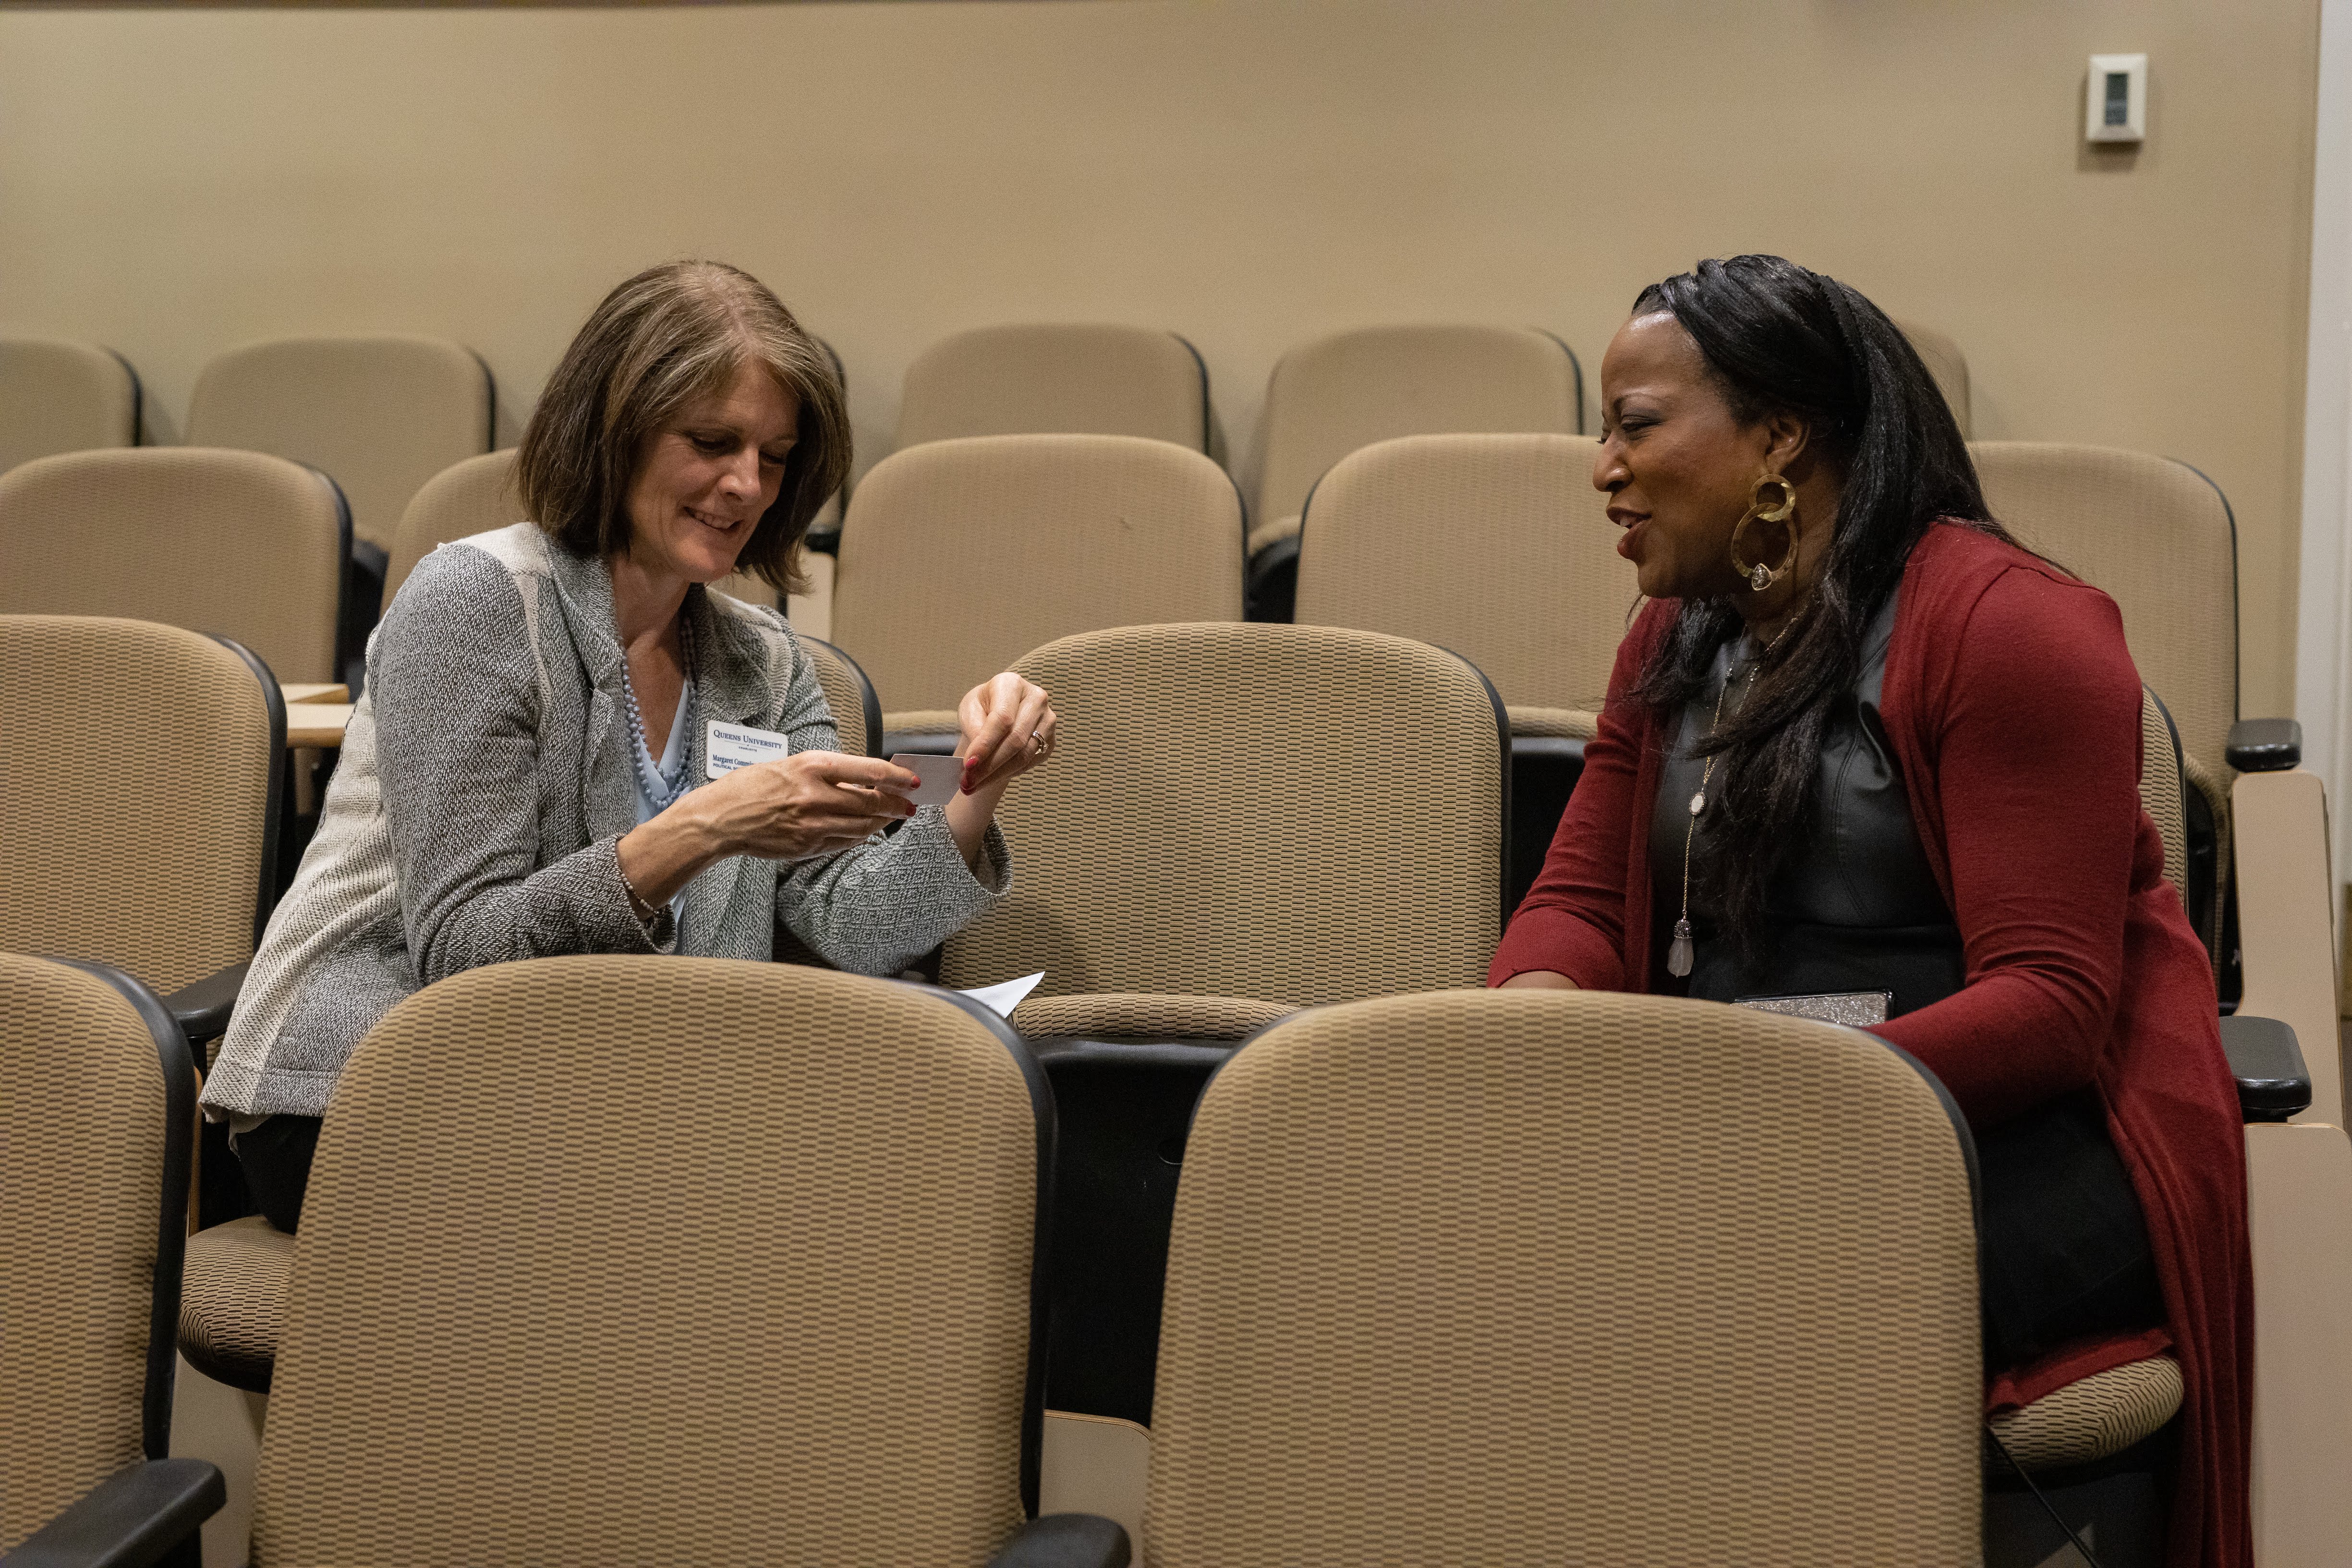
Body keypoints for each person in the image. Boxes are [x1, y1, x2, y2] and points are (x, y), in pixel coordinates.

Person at [1491, 255, 2250, 1567]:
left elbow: (2052, 1009)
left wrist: (1759, 1103)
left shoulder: (2013, 628)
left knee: (1680, 1294)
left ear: (1781, 436)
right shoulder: (1673, 634)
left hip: (2012, 1138)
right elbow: (1575, 899)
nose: (1600, 466)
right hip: (1741, 1112)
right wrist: (1533, 1029)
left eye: (1636, 424)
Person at [202, 260, 1058, 1229]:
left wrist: (977, 789)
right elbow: (467, 957)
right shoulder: (477, 603)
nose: (747, 486)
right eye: (711, 442)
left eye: (774, 457)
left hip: (608, 1094)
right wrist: (697, 832)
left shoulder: (767, 662)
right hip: (371, 1093)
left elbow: (848, 927)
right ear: (614, 433)